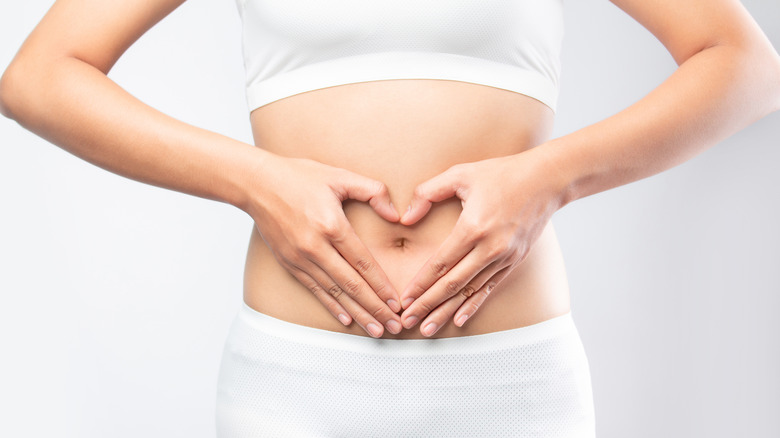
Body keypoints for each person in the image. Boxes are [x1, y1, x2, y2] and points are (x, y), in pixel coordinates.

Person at [1, 0, 778, 436]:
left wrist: (550, 178)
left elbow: (744, 64)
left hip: (508, 380)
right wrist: (251, 182)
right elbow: (39, 76)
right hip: (300, 383)